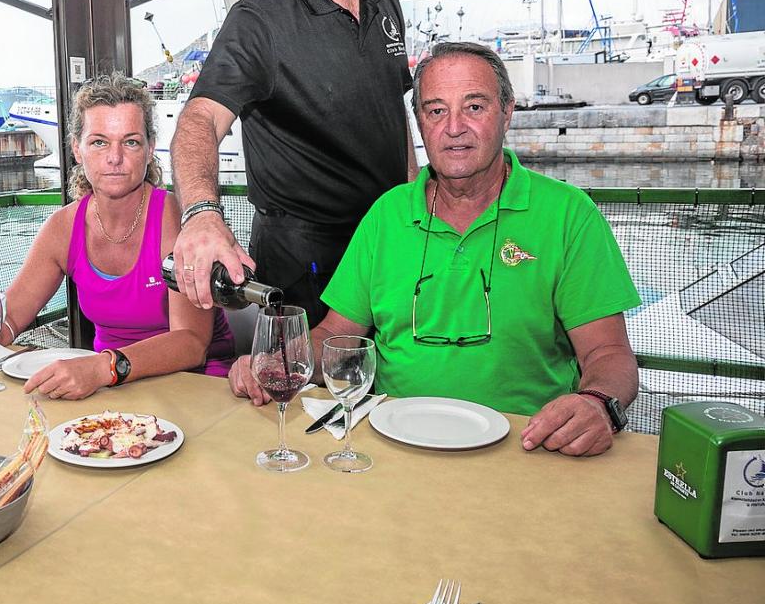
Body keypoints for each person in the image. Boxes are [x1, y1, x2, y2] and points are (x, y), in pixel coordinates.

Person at [231, 42, 641, 457]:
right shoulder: (388, 214)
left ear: (507, 113)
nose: (454, 127)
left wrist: (597, 403)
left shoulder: (568, 215)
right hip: (393, 443)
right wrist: (278, 362)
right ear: (420, 124)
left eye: (475, 107)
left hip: (529, 447)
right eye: (436, 110)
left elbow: (607, 353)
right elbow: (337, 334)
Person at [170, 0, 416, 325]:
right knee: (306, 392)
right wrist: (201, 213)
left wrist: (415, 205)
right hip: (304, 258)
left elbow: (395, 110)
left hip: (389, 241)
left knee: (394, 388)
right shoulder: (259, 18)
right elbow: (198, 121)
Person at [0, 74, 234, 399]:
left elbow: (191, 342)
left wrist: (105, 368)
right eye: (99, 142)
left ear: (149, 149)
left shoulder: (176, 219)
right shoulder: (63, 227)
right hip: (109, 391)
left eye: (130, 142)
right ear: (77, 149)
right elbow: (11, 314)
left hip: (197, 387)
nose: (114, 157)